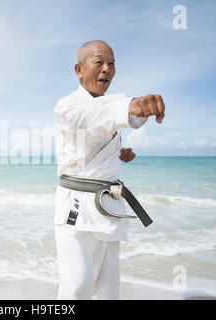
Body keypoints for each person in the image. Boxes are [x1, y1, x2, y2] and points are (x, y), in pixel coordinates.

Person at [53, 40, 165, 299]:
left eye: (111, 64)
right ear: (79, 70)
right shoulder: (67, 106)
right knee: (77, 283)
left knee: (108, 284)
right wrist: (132, 106)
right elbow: (93, 118)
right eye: (99, 62)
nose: (106, 69)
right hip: (76, 206)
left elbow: (97, 138)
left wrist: (120, 153)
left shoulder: (107, 108)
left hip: (109, 204)